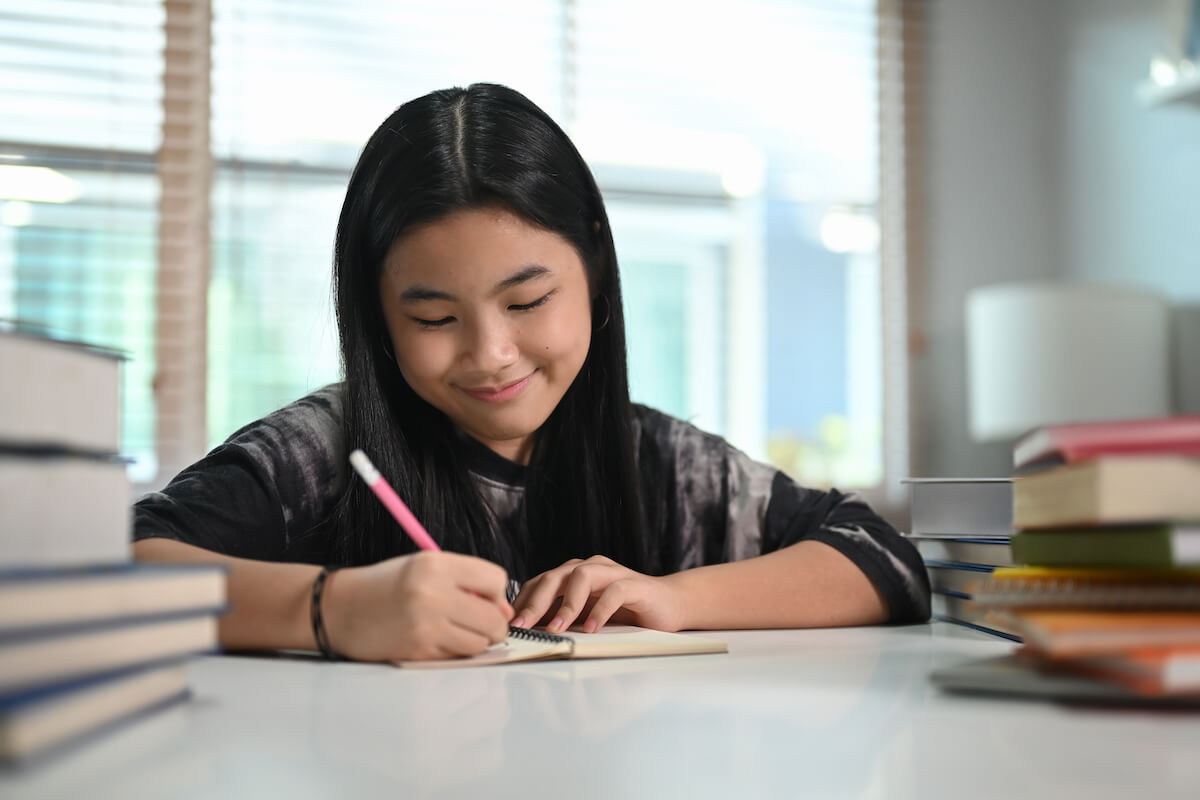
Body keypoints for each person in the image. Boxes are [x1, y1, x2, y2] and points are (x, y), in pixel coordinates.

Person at [133, 83, 931, 663]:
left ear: (591, 264)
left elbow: (884, 559)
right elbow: (123, 565)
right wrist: (331, 609)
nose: (490, 354)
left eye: (528, 301)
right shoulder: (328, 454)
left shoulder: (661, 464)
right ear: (377, 315)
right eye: (434, 319)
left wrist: (675, 598)